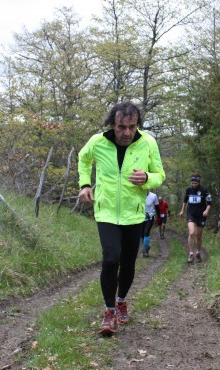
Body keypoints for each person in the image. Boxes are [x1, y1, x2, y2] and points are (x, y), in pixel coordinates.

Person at [78, 101, 165, 336]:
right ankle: (109, 312)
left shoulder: (147, 142)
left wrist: (147, 177)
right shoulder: (98, 142)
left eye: (132, 127)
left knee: (128, 262)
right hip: (105, 211)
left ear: (138, 124)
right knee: (110, 258)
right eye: (121, 127)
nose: (127, 133)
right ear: (112, 125)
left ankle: (122, 300)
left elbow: (160, 174)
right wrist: (85, 184)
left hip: (134, 212)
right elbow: (83, 159)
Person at [179, 174, 211, 263]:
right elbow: (185, 201)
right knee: (192, 232)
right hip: (191, 214)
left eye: (195, 183)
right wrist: (182, 211)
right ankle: (191, 253)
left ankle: (198, 252)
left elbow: (209, 203)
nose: (194, 185)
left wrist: (207, 211)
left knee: (199, 235)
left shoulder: (204, 190)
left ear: (199, 183)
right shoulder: (188, 190)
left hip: (201, 215)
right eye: (192, 183)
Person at [142, 190, 159, 257]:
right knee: (142, 234)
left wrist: (158, 216)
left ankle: (145, 250)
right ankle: (147, 245)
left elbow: (157, 207)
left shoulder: (153, 196)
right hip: (140, 217)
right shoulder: (138, 194)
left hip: (150, 217)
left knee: (146, 232)